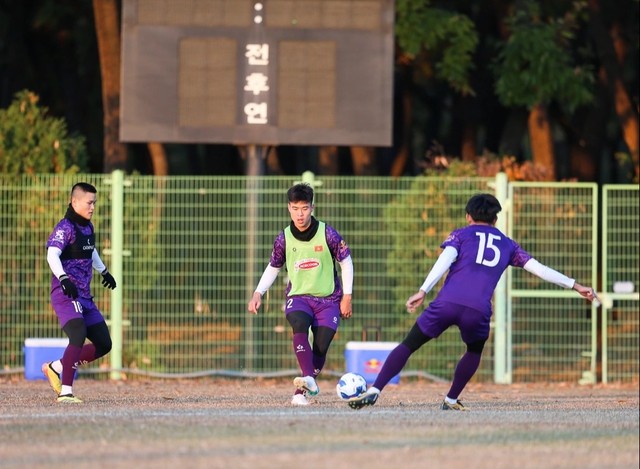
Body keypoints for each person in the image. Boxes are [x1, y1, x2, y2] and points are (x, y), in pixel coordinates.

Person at [348, 193, 599, 411]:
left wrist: (423, 290)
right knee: (474, 350)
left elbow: (445, 259)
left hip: (446, 303)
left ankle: (376, 389)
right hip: (478, 310)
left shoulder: (461, 235)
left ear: (468, 216)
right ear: (496, 219)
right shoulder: (509, 245)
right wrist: (575, 285)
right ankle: (451, 398)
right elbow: (540, 269)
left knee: (410, 343)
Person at [248, 183, 353, 406]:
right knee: (299, 325)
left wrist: (347, 296)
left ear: (312, 207)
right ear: (289, 208)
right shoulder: (283, 239)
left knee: (322, 346)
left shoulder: (328, 234)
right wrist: (258, 293)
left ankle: (305, 386)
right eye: (295, 208)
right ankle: (305, 386)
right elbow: (273, 267)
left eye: (304, 208)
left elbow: (346, 262)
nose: (300, 214)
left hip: (328, 300)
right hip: (298, 297)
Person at [42, 182, 117, 403]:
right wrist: (64, 278)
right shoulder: (65, 227)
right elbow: (52, 254)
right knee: (78, 334)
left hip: (84, 296)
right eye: (89, 202)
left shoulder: (88, 227)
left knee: (104, 344)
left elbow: (89, 250)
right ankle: (66, 391)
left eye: (94, 202)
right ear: (75, 202)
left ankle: (57, 367)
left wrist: (104, 271)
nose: (92, 207)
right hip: (66, 293)